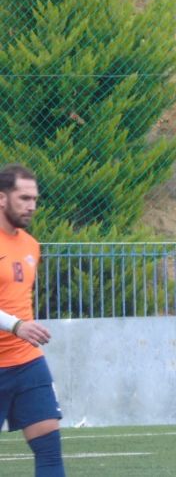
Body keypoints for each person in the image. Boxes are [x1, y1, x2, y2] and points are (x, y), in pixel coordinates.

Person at [0, 164, 65, 477]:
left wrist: (23, 328)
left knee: (50, 451)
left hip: (27, 362)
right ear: (2, 198)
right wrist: (16, 326)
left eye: (35, 199)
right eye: (24, 198)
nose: (32, 206)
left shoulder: (31, 245)